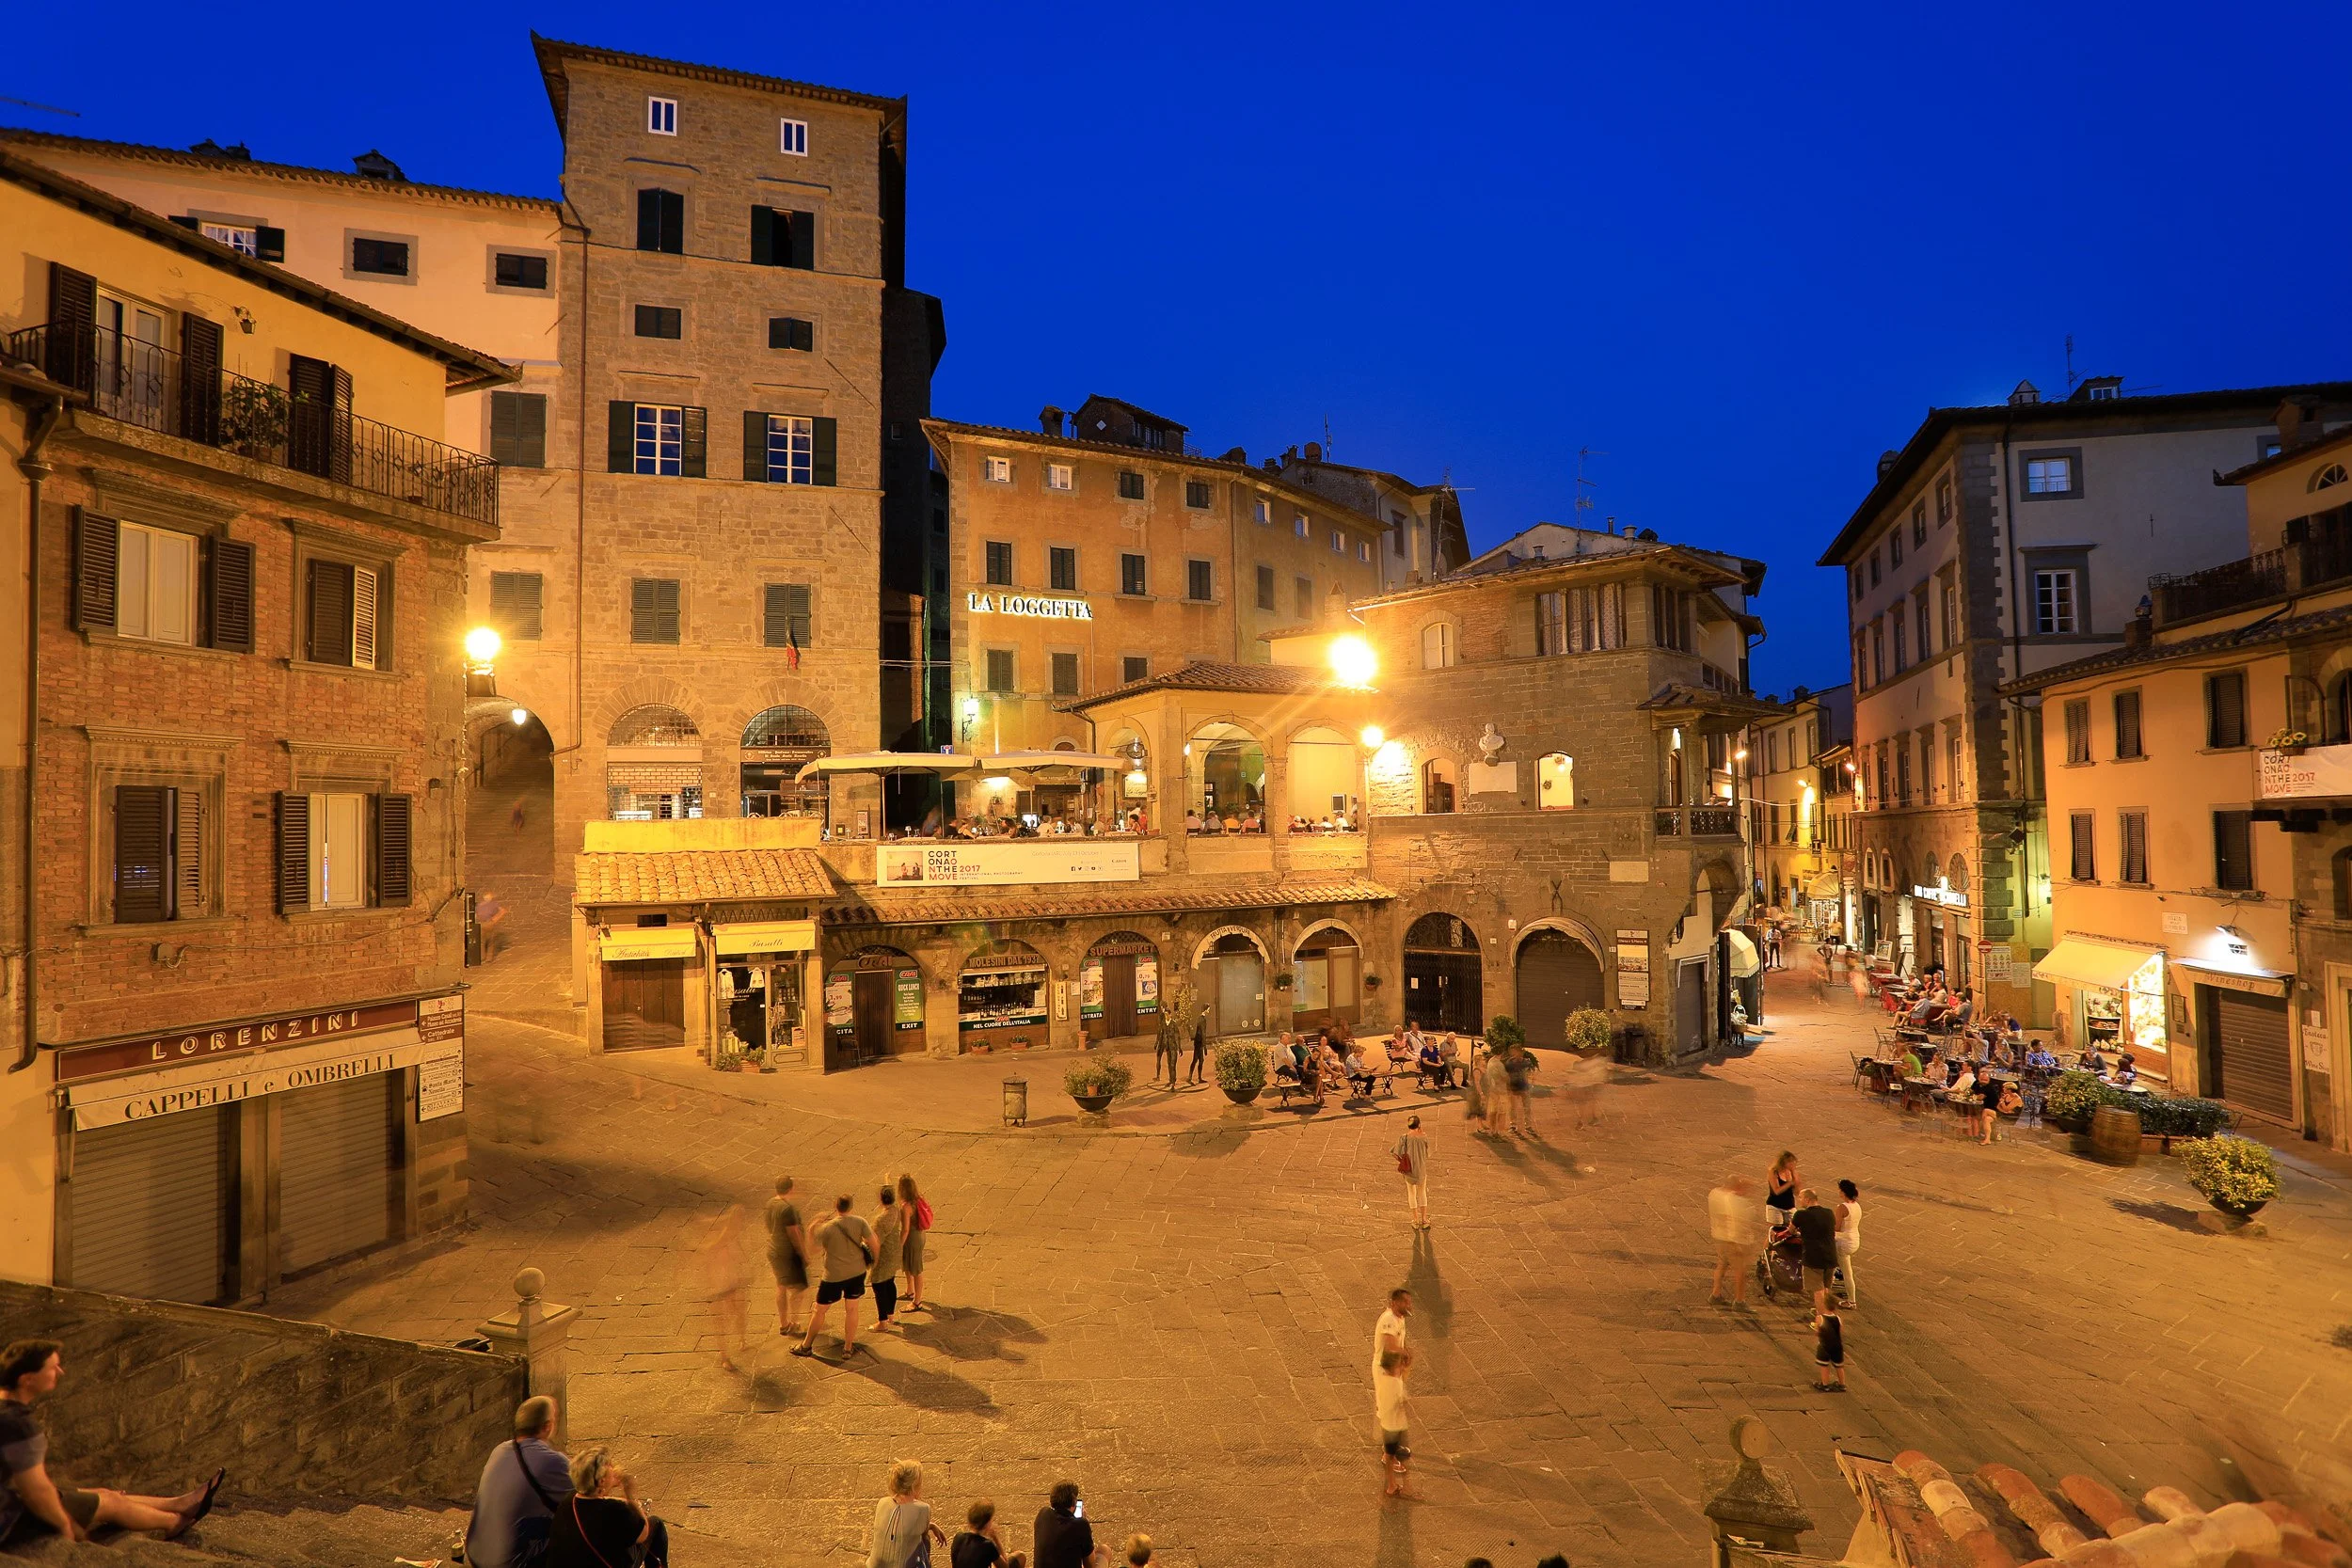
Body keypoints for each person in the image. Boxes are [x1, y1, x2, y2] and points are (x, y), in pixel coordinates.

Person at [1, 1340, 224, 1549]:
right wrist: (64, 1524)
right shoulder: (19, 1425)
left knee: (104, 1493)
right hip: (9, 1515)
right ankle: (174, 1522)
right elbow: (36, 1491)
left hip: (9, 1498)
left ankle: (180, 1504)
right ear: (27, 1379)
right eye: (53, 1368)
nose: (60, 1372)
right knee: (109, 1503)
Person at [549, 1446, 665, 1568]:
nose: (613, 1468)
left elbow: (599, 1501)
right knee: (656, 1524)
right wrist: (629, 1495)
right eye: (609, 1465)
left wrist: (609, 1488)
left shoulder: (569, 1500)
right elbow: (644, 1534)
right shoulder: (615, 1511)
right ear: (601, 1481)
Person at [795, 1195, 877, 1359]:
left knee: (819, 1310)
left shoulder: (827, 1228)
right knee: (852, 1309)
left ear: (836, 1206)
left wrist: (812, 1229)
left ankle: (806, 1345)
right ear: (851, 1206)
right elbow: (873, 1242)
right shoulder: (860, 1222)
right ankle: (847, 1348)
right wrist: (874, 1263)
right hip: (856, 1273)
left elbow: (813, 1250)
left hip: (833, 1276)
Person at [696, 1205, 750, 1372]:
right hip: (719, 1285)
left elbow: (740, 1255)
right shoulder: (724, 1236)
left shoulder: (735, 1235)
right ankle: (724, 1356)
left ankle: (742, 1339)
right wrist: (708, 1278)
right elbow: (707, 1253)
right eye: (741, 1220)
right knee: (720, 1322)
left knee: (740, 1312)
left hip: (732, 1281)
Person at [1372, 1289, 1413, 1498]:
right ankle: (1390, 1455)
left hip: (1393, 1371)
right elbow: (1389, 1345)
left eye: (1409, 1301)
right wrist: (1403, 1352)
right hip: (1386, 1372)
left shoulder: (1399, 1318)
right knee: (1391, 1416)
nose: (1408, 1305)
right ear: (1394, 1302)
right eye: (1405, 1302)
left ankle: (1391, 1452)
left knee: (1392, 1412)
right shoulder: (1389, 1320)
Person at [866, 1460, 945, 1568]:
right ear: (915, 1485)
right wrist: (931, 1526)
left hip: (875, 1565)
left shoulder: (882, 1502)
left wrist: (932, 1525)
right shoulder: (923, 1509)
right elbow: (919, 1528)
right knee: (924, 1539)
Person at [1707, 1176, 1762, 1307]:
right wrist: (1737, 1244)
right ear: (1736, 1187)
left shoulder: (1714, 1193)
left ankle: (1715, 1294)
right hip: (1733, 1240)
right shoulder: (1735, 1201)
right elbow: (1735, 1223)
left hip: (1719, 1235)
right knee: (1740, 1272)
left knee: (1722, 1265)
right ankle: (1739, 1301)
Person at [766, 1176, 811, 1337]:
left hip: (774, 1250)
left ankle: (783, 1323)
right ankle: (793, 1322)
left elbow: (769, 1226)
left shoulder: (770, 1203)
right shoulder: (787, 1209)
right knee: (800, 1287)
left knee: (781, 1286)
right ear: (791, 1188)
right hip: (788, 1253)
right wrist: (803, 1254)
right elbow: (794, 1234)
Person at [1031, 1481, 1104, 1568]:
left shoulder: (1042, 1514)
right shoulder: (1081, 1525)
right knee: (1104, 1550)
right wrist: (1085, 1524)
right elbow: (1089, 1565)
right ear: (1074, 1500)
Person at [1791, 1188, 1839, 1311]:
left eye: (1801, 1198)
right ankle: (1827, 1312)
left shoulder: (1801, 1214)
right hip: (1831, 1256)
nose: (1799, 1200)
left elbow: (1791, 1230)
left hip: (1814, 1258)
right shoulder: (1829, 1212)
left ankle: (1821, 1317)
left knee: (1818, 1290)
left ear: (1807, 1199)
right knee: (1826, 1288)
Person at [868, 1186, 907, 1335]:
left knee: (878, 1286)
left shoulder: (880, 1219)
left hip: (884, 1256)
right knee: (890, 1282)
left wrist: (873, 1259)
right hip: (894, 1253)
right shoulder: (896, 1210)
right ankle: (890, 1315)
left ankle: (882, 1322)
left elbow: (875, 1241)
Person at [951, 1499, 1026, 1568]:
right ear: (987, 1523)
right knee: (1020, 1556)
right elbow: (1005, 1566)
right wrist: (995, 1538)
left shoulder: (958, 1537)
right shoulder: (987, 1545)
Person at [898, 1174, 932, 1313]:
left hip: (912, 1238)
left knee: (916, 1269)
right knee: (908, 1263)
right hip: (920, 1235)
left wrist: (900, 1244)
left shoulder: (906, 1206)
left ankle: (917, 1301)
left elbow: (905, 1229)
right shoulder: (918, 1199)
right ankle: (910, 1290)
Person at [1393, 1116, 1431, 1228]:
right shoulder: (1424, 1137)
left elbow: (1396, 1153)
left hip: (1409, 1171)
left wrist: (1403, 1161)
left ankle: (1415, 1220)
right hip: (1421, 1170)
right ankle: (1424, 1219)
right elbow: (1428, 1153)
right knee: (1422, 1193)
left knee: (1411, 1194)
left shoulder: (1404, 1138)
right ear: (1419, 1125)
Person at [1832, 1180, 1863, 1307]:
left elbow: (1837, 1227)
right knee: (1838, 1266)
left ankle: (1851, 1301)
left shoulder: (1842, 1207)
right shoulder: (1857, 1206)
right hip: (1854, 1240)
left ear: (1843, 1192)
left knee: (1847, 1273)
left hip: (1843, 1243)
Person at [1814, 1303, 1847, 1392]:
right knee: (1839, 1365)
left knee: (1824, 1365)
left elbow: (1817, 1332)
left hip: (1825, 1345)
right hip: (1837, 1345)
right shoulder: (1838, 1318)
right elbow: (1840, 1331)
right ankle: (1842, 1384)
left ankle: (1825, 1384)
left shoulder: (1820, 1318)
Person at [1504, 1045, 1537, 1135]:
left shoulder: (1526, 1062)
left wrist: (1532, 1083)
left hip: (1524, 1087)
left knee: (1527, 1107)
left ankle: (1528, 1126)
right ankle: (1513, 1125)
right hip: (1513, 1087)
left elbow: (1532, 1073)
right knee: (1513, 1107)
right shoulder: (1509, 1063)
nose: (1515, 1054)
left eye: (1516, 1052)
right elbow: (1507, 1075)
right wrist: (1508, 1087)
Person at [1765, 1152, 1799, 1227]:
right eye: (1790, 1162)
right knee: (1775, 1233)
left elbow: (1797, 1192)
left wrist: (1793, 1174)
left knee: (1791, 1231)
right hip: (1775, 1206)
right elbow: (1777, 1191)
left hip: (1790, 1206)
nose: (1792, 1165)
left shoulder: (1792, 1173)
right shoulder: (1774, 1172)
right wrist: (1789, 1183)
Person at [1186, 1009, 1208, 1085]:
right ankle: (1190, 1078)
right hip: (1199, 1043)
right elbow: (1203, 1033)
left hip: (1199, 1042)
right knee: (1195, 1060)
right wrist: (1205, 1046)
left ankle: (1199, 1078)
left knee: (1201, 1060)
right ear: (1205, 1009)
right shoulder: (1202, 1019)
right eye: (1208, 1009)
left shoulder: (1201, 1018)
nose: (1209, 1010)